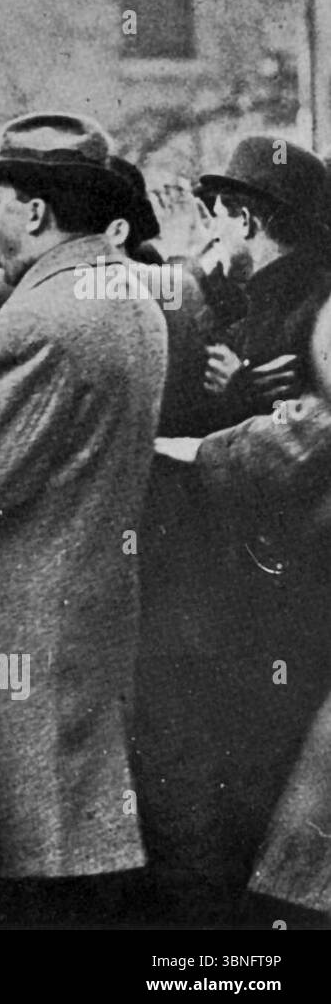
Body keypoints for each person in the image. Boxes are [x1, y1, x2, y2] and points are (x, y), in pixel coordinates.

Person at [0, 112, 167, 927]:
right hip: (95, 609)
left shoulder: (39, 320)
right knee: (83, 843)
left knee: (43, 860)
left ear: (35, 211)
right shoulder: (129, 297)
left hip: (26, 629)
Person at [144, 137, 331, 926]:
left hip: (276, 590)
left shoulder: (300, 312)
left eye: (221, 218)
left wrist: (238, 399)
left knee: (261, 778)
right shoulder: (292, 296)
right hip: (281, 587)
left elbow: (302, 439)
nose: (215, 235)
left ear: (248, 219)